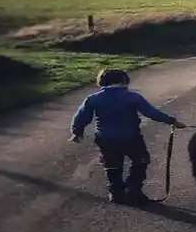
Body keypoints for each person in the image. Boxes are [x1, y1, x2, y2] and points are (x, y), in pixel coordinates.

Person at [69, 68, 186, 204]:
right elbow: (152, 113)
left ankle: (116, 192)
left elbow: (81, 117)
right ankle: (133, 188)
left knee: (112, 165)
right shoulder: (132, 97)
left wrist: (77, 131)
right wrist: (172, 121)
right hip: (131, 137)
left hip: (105, 138)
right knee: (141, 160)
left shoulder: (93, 98)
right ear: (124, 81)